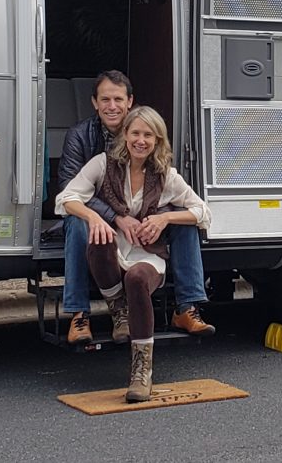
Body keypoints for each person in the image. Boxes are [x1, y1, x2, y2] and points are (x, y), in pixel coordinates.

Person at [49, 70, 214, 346]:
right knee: (76, 222)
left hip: (141, 224)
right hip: (98, 217)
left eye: (118, 99)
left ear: (129, 102)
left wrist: (163, 218)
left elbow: (200, 210)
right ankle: (80, 315)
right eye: (105, 99)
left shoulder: (159, 165)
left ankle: (187, 307)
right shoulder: (84, 141)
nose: (112, 106)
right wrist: (110, 216)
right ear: (95, 103)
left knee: (184, 222)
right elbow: (68, 190)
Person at [57, 106, 209, 402]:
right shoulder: (102, 163)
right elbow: (66, 198)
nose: (141, 140)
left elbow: (203, 212)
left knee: (138, 278)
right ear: (125, 135)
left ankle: (142, 372)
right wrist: (95, 217)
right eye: (136, 133)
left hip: (146, 254)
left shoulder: (166, 175)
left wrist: (165, 218)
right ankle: (119, 310)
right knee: (99, 239)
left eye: (148, 135)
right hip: (113, 250)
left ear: (157, 140)